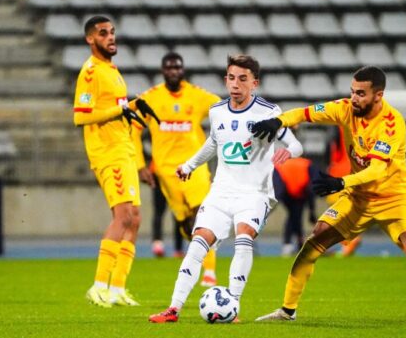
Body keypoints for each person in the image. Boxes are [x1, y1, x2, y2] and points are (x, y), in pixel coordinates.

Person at [252, 66, 406, 323]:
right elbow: (305, 113)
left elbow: (377, 170)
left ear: (378, 95)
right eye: (352, 91)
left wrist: (341, 182)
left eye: (360, 93)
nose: (354, 98)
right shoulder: (345, 108)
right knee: (312, 244)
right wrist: (279, 121)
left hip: (395, 199)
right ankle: (287, 311)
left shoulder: (391, 124)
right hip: (358, 199)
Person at [148, 54, 303, 323]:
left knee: (243, 239)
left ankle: (233, 307)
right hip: (220, 191)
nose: (235, 84)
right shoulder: (217, 111)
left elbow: (296, 144)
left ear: (254, 83)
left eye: (243, 79)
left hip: (254, 193)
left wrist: (288, 153)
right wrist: (189, 165)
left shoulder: (269, 112)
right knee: (197, 245)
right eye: (231, 78)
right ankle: (173, 309)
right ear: (225, 80)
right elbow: (213, 143)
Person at [73, 15, 156, 307]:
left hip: (125, 150)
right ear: (90, 39)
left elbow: (115, 107)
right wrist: (118, 112)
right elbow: (80, 116)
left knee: (134, 219)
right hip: (107, 153)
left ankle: (118, 288)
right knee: (122, 217)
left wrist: (133, 106)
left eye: (112, 32)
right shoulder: (91, 72)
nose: (111, 37)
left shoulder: (112, 70)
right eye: (103, 33)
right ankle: (98, 286)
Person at [132, 52, 221, 285]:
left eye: (177, 67)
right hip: (166, 171)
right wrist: (140, 164)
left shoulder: (197, 95)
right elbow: (132, 128)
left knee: (203, 213)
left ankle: (210, 272)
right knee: (186, 224)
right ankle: (198, 254)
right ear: (163, 71)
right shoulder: (150, 98)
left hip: (195, 166)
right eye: (169, 68)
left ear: (183, 70)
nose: (174, 71)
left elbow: (223, 108)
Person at [273, 153, 317, 256]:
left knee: (294, 216)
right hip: (297, 191)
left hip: (286, 191)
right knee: (295, 216)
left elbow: (277, 182)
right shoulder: (307, 164)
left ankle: (292, 244)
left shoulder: (281, 164)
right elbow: (312, 187)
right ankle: (292, 243)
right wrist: (312, 211)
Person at [326, 126, 361, 257]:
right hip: (353, 171)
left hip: (339, 172)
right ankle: (348, 241)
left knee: (335, 212)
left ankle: (350, 239)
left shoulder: (338, 126)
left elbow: (331, 146)